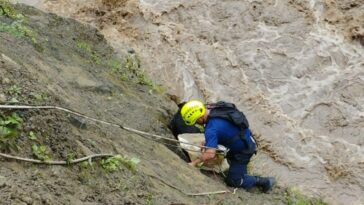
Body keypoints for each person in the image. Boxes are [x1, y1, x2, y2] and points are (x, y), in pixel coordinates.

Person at [180, 100, 276, 193]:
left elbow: (210, 154)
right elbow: (223, 129)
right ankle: (241, 172)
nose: (197, 124)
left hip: (243, 151)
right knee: (234, 166)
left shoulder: (211, 129)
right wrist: (208, 142)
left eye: (196, 121)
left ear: (200, 117)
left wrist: (194, 163)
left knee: (233, 181)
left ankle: (265, 181)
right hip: (245, 138)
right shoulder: (215, 108)